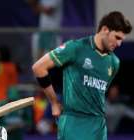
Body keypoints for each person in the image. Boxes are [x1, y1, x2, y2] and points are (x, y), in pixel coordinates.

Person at [32, 11, 132, 140]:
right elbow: (38, 68)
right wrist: (54, 103)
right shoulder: (75, 48)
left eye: (122, 40)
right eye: (117, 38)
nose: (119, 44)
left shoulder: (114, 62)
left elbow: (100, 93)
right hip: (74, 123)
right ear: (105, 29)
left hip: (99, 126)